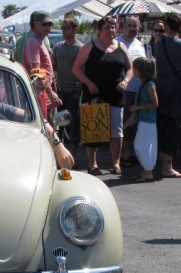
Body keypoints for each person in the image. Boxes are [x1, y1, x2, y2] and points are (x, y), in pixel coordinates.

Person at [72, 15, 132, 176]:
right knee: (93, 129)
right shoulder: (89, 46)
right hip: (94, 95)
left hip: (116, 95)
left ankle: (116, 163)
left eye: (113, 27)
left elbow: (130, 69)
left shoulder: (121, 46)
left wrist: (126, 81)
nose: (110, 30)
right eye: (107, 28)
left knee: (116, 131)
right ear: (100, 30)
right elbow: (76, 68)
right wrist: (89, 83)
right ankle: (92, 164)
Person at [154, 12, 181, 178]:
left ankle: (164, 163)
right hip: (177, 90)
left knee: (162, 127)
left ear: (167, 26)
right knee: (175, 127)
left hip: (160, 89)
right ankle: (168, 167)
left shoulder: (158, 44)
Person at [116, 16, 151, 166]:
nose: (131, 29)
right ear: (124, 27)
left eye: (134, 26)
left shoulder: (140, 45)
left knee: (137, 123)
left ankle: (133, 153)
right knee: (125, 124)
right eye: (129, 25)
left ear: (139, 27)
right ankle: (125, 154)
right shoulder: (118, 42)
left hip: (141, 90)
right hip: (126, 90)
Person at [51, 17, 83, 165]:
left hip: (73, 91)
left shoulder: (79, 48)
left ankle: (74, 156)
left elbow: (83, 70)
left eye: (67, 28)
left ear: (75, 29)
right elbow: (53, 67)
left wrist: (78, 91)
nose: (64, 30)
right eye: (63, 28)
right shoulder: (58, 47)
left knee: (73, 124)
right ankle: (61, 156)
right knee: (58, 124)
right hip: (59, 91)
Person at [22, 11, 62, 120]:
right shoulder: (33, 42)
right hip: (39, 91)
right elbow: (36, 72)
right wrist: (50, 93)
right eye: (44, 24)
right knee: (44, 127)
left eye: (50, 24)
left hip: (44, 91)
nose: (48, 27)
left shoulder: (41, 42)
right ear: (36, 24)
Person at [129, 57, 158, 183]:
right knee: (140, 144)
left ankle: (148, 171)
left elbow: (155, 103)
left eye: (135, 68)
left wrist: (138, 107)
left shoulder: (150, 85)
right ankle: (146, 170)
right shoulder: (143, 83)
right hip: (143, 118)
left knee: (143, 145)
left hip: (148, 119)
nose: (133, 70)